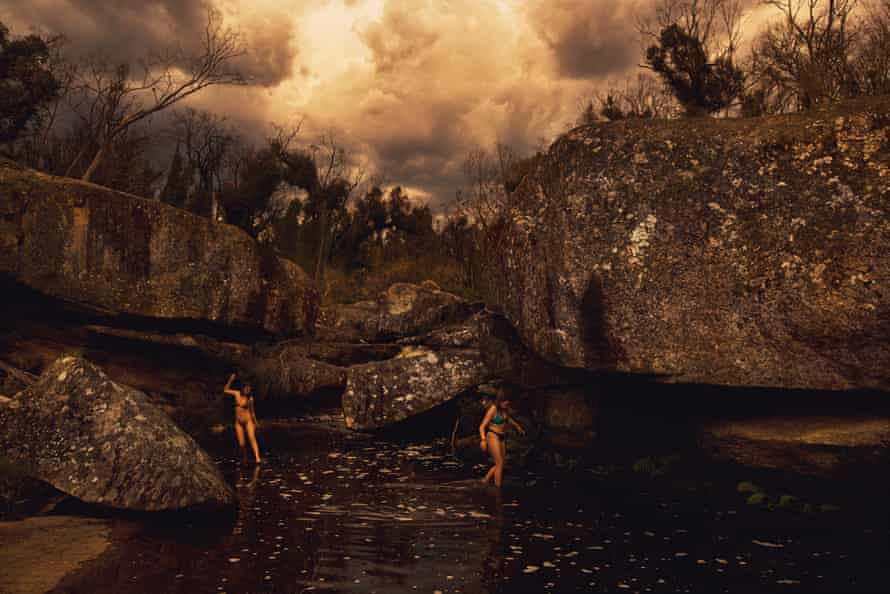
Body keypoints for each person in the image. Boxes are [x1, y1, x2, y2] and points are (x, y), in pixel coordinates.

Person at [479, 386, 525, 487]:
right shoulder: (493, 409)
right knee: (499, 463)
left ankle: (484, 481)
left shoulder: (504, 409)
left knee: (501, 463)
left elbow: (508, 419)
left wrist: (518, 427)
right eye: (505, 402)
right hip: (492, 436)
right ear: (500, 401)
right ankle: (498, 488)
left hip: (501, 437)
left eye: (508, 402)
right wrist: (483, 440)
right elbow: (482, 426)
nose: (507, 404)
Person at [223, 372, 262, 463]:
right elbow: (225, 390)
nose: (247, 390)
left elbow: (252, 412)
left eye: (249, 389)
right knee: (241, 444)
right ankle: (245, 457)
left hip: (248, 421)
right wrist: (230, 380)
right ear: (243, 388)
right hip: (238, 422)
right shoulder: (237, 393)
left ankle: (257, 457)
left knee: (252, 439)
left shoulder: (250, 399)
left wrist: (256, 423)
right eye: (246, 388)